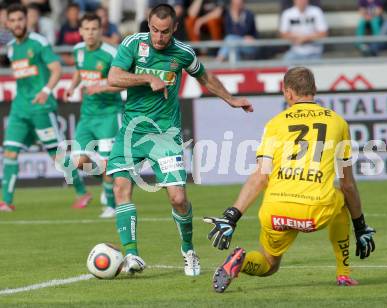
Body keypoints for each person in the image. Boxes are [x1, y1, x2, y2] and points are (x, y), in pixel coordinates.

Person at [106, 4, 253, 276]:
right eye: (153, 30)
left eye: (164, 32)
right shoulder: (132, 44)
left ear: (174, 28)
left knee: (177, 198)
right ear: (147, 25)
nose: (158, 37)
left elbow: (205, 78)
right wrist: (146, 78)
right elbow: (113, 77)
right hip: (132, 131)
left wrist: (231, 99)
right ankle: (132, 255)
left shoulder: (183, 52)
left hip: (165, 134)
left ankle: (188, 250)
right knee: (120, 186)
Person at [204, 67, 376, 292]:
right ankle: (343, 274)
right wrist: (360, 225)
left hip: (276, 209)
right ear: (314, 90)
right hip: (315, 211)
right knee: (342, 198)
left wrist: (232, 216)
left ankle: (241, 262)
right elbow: (348, 183)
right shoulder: (338, 123)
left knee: (269, 264)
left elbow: (260, 176)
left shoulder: (275, 123)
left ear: (288, 93)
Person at [0, 4, 90, 212]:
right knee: (10, 153)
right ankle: (6, 201)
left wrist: (46, 91)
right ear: (7, 23)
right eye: (12, 21)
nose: (16, 24)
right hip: (19, 109)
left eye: (20, 20)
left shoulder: (39, 42)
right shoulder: (12, 48)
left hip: (41, 109)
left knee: (57, 156)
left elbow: (56, 70)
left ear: (27, 20)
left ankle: (82, 192)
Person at [63, 12, 124, 217]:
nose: (90, 33)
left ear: (101, 31)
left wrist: (103, 86)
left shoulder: (111, 53)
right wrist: (72, 87)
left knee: (106, 162)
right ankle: (110, 184)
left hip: (108, 114)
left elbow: (122, 82)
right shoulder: (78, 50)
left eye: (94, 29)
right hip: (87, 116)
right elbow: (80, 71)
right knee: (78, 161)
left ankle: (111, 204)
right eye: (86, 29)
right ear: (80, 31)